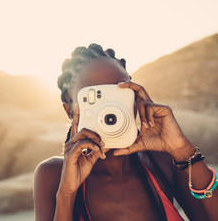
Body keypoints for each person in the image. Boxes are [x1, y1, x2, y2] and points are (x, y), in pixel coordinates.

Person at [33, 44, 218, 221]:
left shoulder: (161, 160)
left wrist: (182, 150)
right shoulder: (54, 175)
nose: (110, 108)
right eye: (95, 97)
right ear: (69, 110)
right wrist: (67, 193)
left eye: (118, 94)